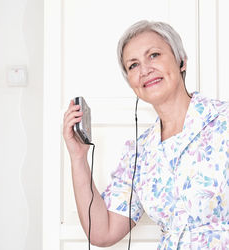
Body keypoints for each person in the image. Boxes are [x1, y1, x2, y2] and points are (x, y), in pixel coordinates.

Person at [63, 20, 229, 249]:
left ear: (181, 61)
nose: (144, 70)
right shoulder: (139, 153)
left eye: (154, 55)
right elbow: (102, 231)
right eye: (133, 65)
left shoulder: (224, 120)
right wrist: (78, 158)